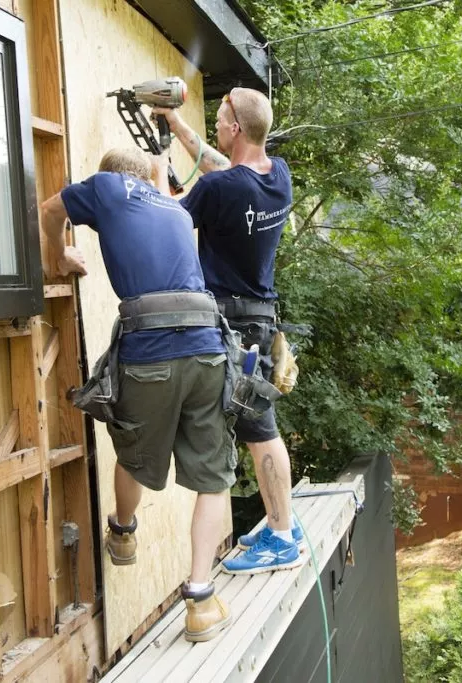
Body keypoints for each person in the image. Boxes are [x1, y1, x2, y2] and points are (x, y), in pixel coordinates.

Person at [39, 147, 235, 642]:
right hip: (209, 346)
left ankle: (122, 533)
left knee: (133, 450)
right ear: (149, 176)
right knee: (213, 477)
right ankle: (202, 599)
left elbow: (47, 210)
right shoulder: (172, 204)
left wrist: (58, 257)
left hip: (152, 352)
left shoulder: (108, 187)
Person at [153, 88, 306, 574]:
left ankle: (282, 537)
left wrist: (158, 168)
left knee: (259, 430)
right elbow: (227, 165)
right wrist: (178, 126)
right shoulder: (276, 175)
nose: (217, 124)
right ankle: (284, 522)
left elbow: (167, 219)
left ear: (236, 127)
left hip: (234, 325)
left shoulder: (219, 191)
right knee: (260, 425)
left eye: (220, 118)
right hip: (259, 317)